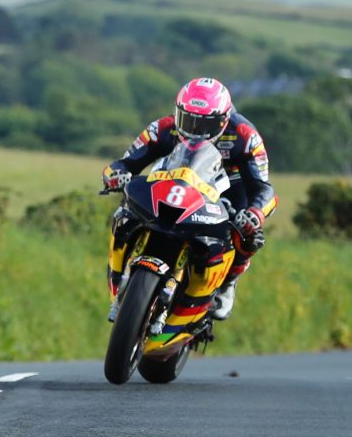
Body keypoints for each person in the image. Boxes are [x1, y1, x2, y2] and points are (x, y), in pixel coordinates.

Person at [101, 77, 277, 321]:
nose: (195, 129)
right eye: (189, 120)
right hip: (175, 178)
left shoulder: (245, 136)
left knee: (248, 234)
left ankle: (227, 284)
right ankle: (120, 272)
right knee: (127, 212)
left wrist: (255, 213)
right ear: (178, 111)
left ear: (224, 119)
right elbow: (125, 162)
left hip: (229, 188)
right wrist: (115, 175)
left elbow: (264, 189)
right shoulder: (163, 128)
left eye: (205, 124)